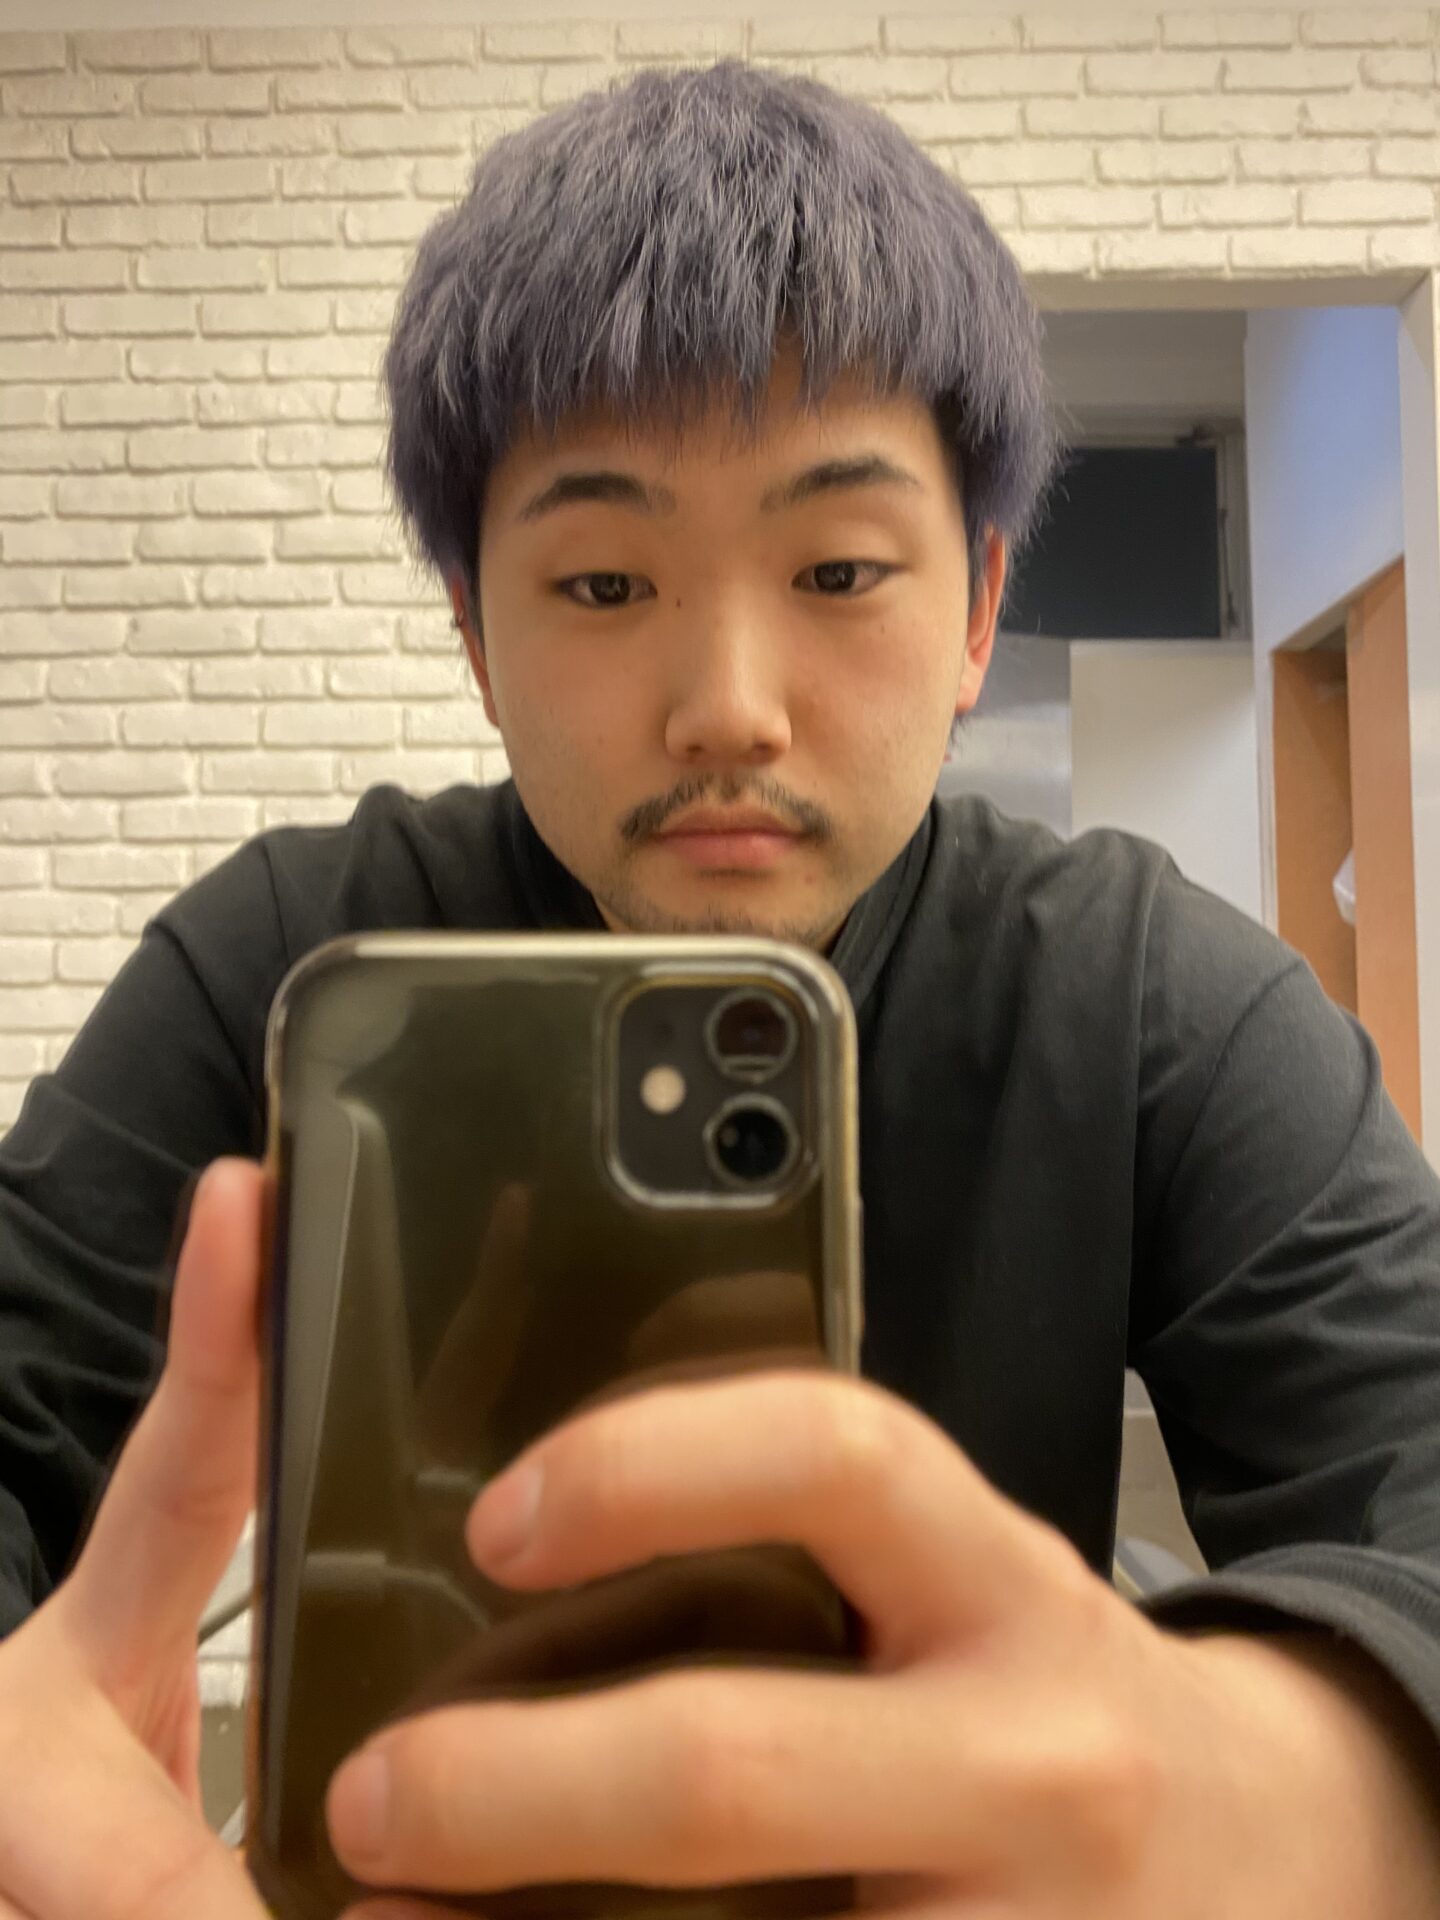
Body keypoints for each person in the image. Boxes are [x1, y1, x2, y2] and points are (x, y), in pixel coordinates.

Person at [1, 57, 1438, 1919]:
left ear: (977, 610)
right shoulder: (294, 969)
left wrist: (1298, 1791)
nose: (730, 708)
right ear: (476, 636)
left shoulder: (1143, 993)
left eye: (838, 566)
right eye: (604, 587)